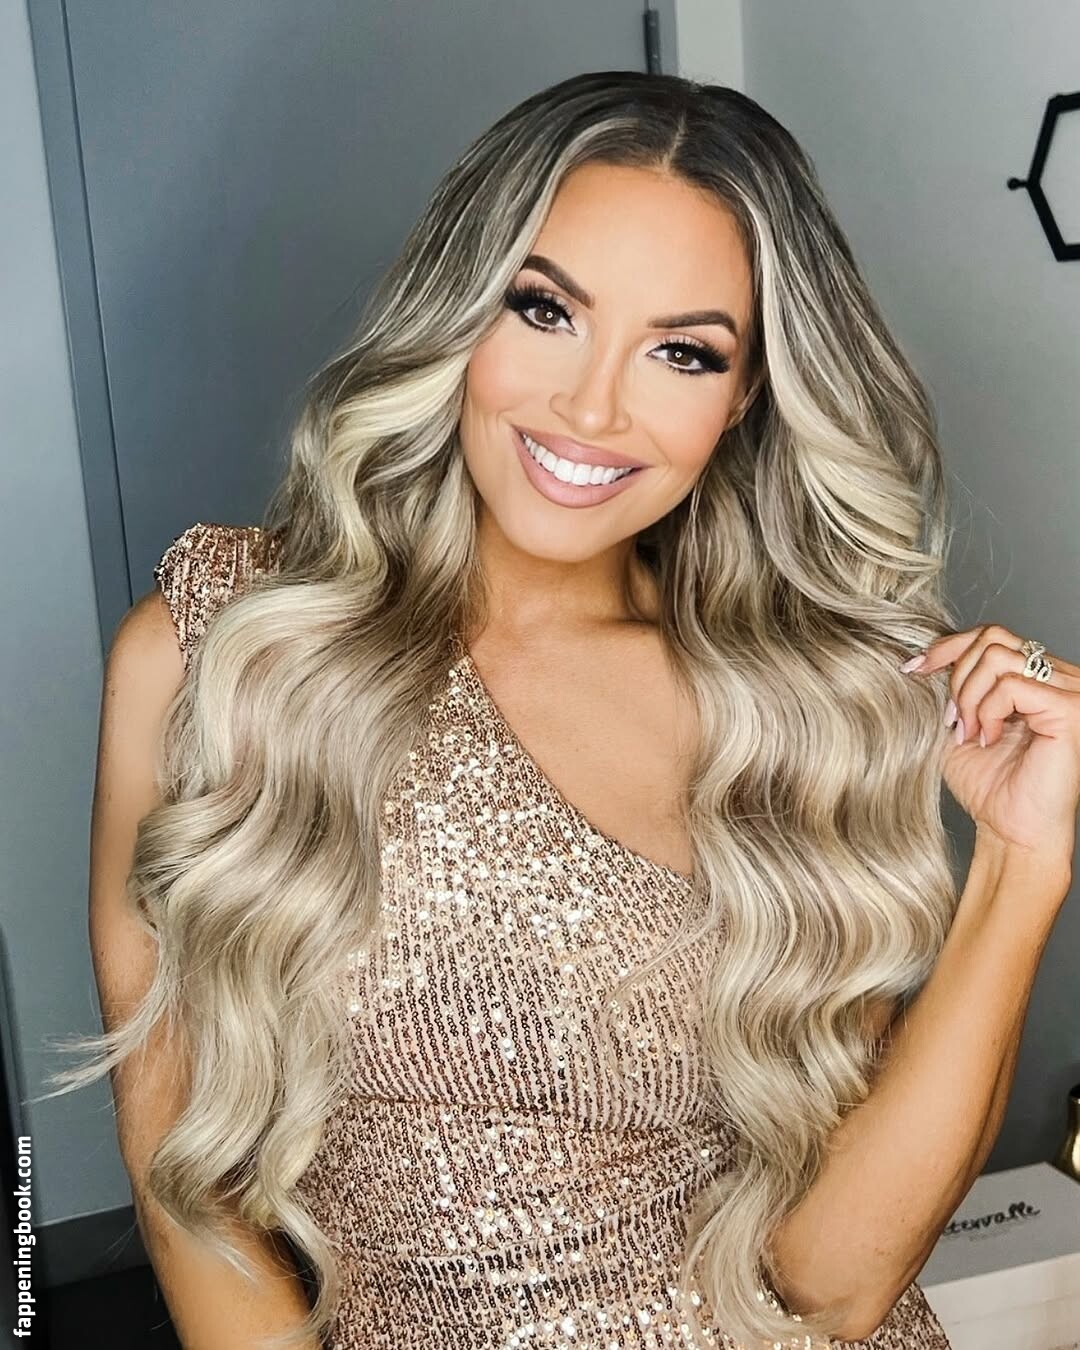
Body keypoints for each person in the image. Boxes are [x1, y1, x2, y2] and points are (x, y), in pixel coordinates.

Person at [42, 69, 1076, 1350]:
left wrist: (1020, 865)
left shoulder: (810, 706)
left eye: (683, 352)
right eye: (545, 309)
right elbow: (179, 1176)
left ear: (745, 396)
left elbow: (836, 1284)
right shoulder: (224, 649)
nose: (592, 408)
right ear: (458, 307)